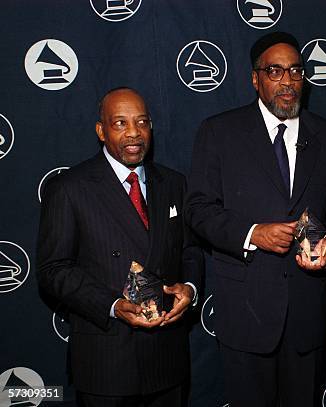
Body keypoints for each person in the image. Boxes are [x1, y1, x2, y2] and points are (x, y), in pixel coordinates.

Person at [185, 32, 326, 407]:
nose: (287, 81)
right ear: (255, 79)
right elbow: (197, 209)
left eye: (295, 71)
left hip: (306, 314)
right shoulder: (219, 132)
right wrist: (253, 234)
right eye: (275, 71)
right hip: (246, 313)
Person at [37, 87, 203, 407]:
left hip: (167, 358)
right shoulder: (70, 187)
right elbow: (53, 269)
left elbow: (191, 249)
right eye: (120, 123)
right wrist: (113, 305)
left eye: (141, 122)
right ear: (101, 131)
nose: (134, 133)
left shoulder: (173, 183)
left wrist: (191, 288)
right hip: (106, 362)